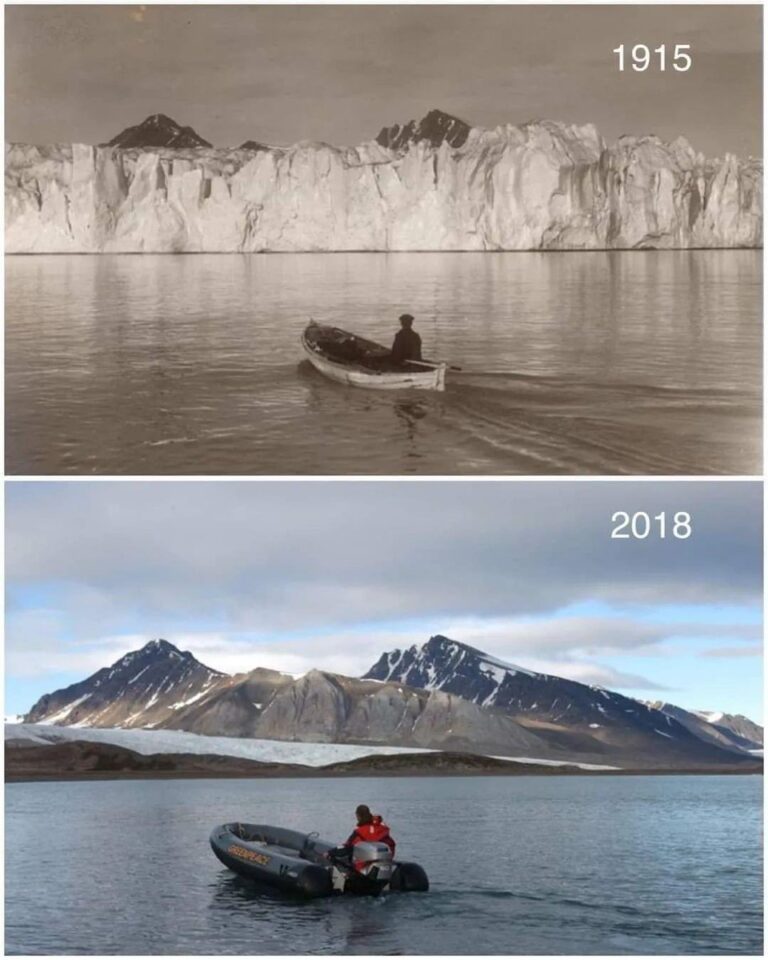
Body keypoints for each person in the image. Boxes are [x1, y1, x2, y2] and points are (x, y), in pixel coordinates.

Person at [329, 805, 396, 866]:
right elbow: (391, 845)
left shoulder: (360, 832)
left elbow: (347, 847)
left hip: (363, 870)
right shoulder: (382, 829)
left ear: (358, 816)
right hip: (385, 865)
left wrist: (330, 852)